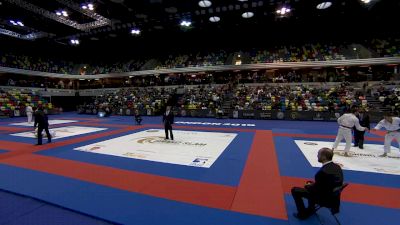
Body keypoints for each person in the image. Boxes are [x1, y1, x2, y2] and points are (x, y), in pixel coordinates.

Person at [292, 148, 343, 220]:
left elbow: (316, 190)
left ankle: (302, 214)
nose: (317, 156)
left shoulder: (322, 172)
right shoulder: (337, 167)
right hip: (333, 197)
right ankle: (310, 209)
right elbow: (325, 184)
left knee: (295, 190)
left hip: (324, 198)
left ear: (324, 157)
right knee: (311, 184)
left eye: (318, 154)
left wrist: (308, 186)